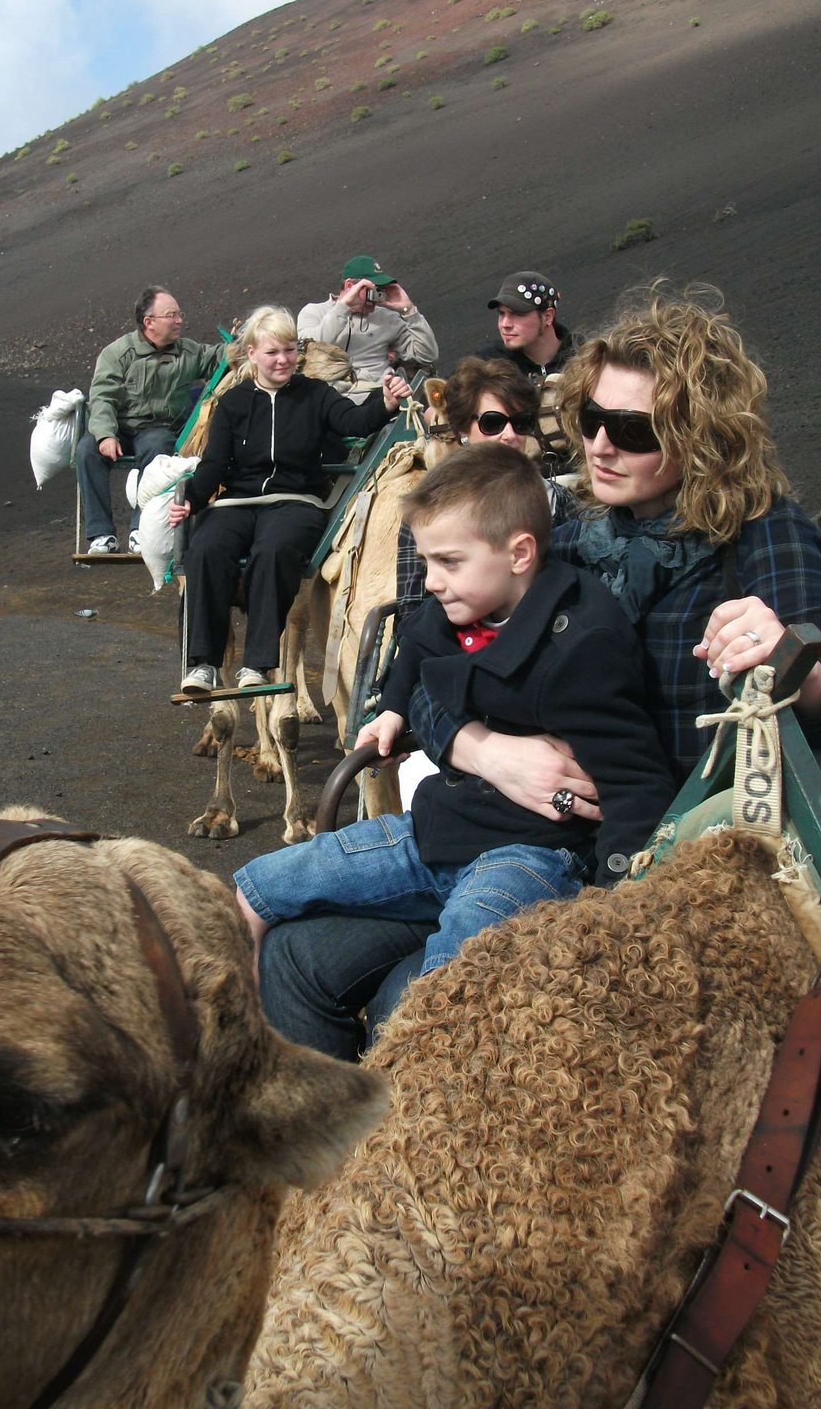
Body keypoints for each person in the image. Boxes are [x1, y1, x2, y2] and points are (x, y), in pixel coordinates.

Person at [259, 281, 821, 1061]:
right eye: (591, 420)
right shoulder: (572, 534)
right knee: (292, 959)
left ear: (700, 433)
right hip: (512, 828)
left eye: (632, 429)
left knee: (411, 993)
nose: (602, 445)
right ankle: (334, 1172)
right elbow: (438, 660)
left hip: (659, 859)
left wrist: (786, 654)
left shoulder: (758, 534)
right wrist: (489, 753)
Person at [233, 443, 675, 976]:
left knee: (450, 976)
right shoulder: (463, 608)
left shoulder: (582, 646)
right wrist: (394, 710)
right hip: (438, 829)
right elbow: (415, 651)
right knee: (255, 889)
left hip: (531, 855)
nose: (433, 581)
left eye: (448, 562)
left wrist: (616, 900)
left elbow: (635, 781)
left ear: (519, 554)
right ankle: (254, 1028)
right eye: (426, 562)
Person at [172, 305, 412, 692]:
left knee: (275, 550)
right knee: (204, 548)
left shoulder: (315, 394)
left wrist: (384, 403)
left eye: (288, 350)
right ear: (252, 354)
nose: (283, 360)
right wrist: (192, 499)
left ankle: (257, 665)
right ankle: (202, 665)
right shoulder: (233, 404)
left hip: (296, 501)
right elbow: (214, 464)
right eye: (272, 352)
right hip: (238, 502)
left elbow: (353, 421)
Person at [397, 355, 575, 613]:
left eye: (521, 422)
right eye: (493, 423)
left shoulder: (557, 500)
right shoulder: (426, 507)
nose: (510, 435)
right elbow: (411, 611)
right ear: (463, 430)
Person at [75, 286, 223, 554]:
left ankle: (139, 530)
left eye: (179, 314)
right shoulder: (118, 354)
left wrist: (245, 341)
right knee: (86, 450)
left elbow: (220, 358)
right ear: (149, 322)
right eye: (171, 315)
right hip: (119, 428)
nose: (179, 321)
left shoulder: (188, 353)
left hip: (158, 429)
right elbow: (102, 399)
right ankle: (101, 534)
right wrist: (106, 434)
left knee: (157, 447)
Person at [297, 255, 438, 398]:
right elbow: (310, 349)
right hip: (334, 398)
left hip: (380, 394)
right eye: (371, 289)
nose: (376, 296)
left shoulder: (387, 318)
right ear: (350, 286)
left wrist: (408, 310)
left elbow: (427, 355)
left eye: (380, 289)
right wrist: (344, 308)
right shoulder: (314, 312)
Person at [477, 270, 576, 383]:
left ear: (547, 317)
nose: (505, 324)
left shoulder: (586, 358)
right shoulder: (487, 365)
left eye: (518, 314)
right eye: (501, 313)